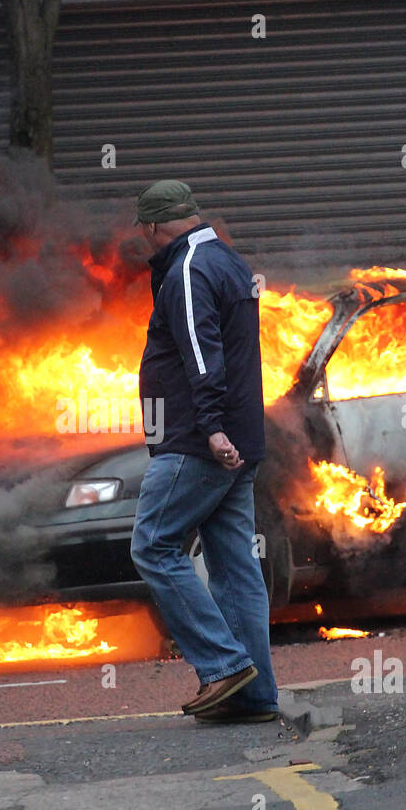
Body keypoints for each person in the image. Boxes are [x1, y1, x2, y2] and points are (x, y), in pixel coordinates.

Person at [128, 180, 279, 724]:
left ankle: (223, 665)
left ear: (152, 227)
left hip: (198, 442)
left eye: (141, 232)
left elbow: (200, 353)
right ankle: (254, 697)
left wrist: (211, 429)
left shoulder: (188, 269)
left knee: (153, 546)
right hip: (238, 438)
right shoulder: (228, 261)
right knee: (236, 566)